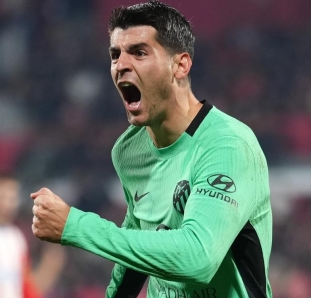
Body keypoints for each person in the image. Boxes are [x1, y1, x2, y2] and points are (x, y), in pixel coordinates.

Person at [30, 1, 273, 297]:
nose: (121, 65)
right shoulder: (129, 149)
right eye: (115, 54)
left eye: (139, 52)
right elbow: (137, 249)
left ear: (180, 65)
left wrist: (76, 226)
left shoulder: (228, 145)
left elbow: (198, 258)